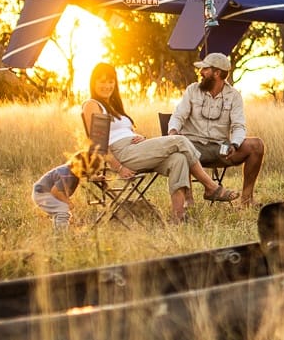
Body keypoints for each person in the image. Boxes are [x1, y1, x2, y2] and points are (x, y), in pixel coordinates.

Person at [80, 62, 237, 223]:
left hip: (137, 150)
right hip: (123, 154)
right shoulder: (92, 105)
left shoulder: (114, 106)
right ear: (93, 82)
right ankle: (211, 187)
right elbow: (97, 144)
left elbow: (121, 131)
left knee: (179, 159)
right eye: (102, 81)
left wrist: (139, 137)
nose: (107, 85)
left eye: (110, 81)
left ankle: (178, 217)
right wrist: (118, 167)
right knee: (180, 140)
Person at [168, 51, 265, 206]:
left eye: (205, 69)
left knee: (256, 145)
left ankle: (246, 199)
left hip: (221, 147)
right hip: (193, 147)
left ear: (217, 73)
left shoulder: (234, 96)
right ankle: (189, 200)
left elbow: (238, 126)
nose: (201, 72)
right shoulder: (192, 90)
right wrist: (173, 131)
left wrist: (234, 144)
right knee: (180, 146)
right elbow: (178, 116)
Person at [30, 150, 89, 235]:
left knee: (60, 211)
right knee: (63, 209)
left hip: (44, 192)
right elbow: (55, 191)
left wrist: (95, 177)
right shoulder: (67, 174)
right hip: (42, 194)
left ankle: (58, 233)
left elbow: (84, 174)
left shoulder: (72, 169)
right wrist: (68, 202)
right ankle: (61, 236)